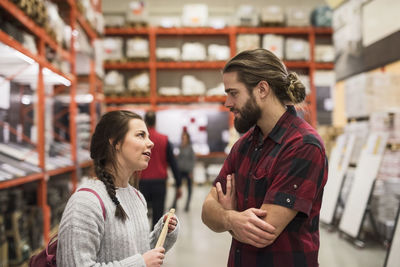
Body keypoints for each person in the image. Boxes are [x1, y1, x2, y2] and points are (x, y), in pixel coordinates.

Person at [201, 48, 328, 267]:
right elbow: (207, 210)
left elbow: (262, 233)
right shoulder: (243, 146)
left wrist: (228, 213)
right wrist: (231, 218)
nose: (227, 103)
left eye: (233, 93)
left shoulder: (303, 146)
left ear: (262, 89)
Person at [57, 110, 179, 267]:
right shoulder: (85, 202)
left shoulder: (137, 197)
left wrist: (162, 234)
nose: (151, 143)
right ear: (116, 143)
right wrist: (141, 264)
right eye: (140, 135)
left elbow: (136, 251)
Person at [140, 111, 182, 228]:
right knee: (158, 218)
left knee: (140, 216)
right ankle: (155, 243)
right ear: (155, 121)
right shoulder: (164, 139)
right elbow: (173, 163)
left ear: (145, 122)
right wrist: (178, 184)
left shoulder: (140, 141)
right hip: (159, 183)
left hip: (142, 183)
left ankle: (142, 242)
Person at [171, 130, 196, 212]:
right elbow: (178, 159)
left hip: (188, 171)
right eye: (182, 138)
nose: (183, 139)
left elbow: (193, 160)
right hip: (180, 171)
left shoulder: (190, 148)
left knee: (189, 189)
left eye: (185, 138)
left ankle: (187, 205)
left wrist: (191, 171)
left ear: (188, 139)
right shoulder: (180, 147)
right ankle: (174, 204)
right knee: (178, 187)